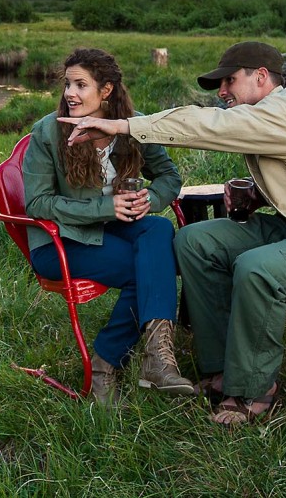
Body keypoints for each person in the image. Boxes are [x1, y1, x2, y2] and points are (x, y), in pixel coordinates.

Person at [59, 41, 286, 426]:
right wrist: (258, 195)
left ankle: (255, 390)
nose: (222, 92)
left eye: (229, 81)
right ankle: (222, 368)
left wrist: (125, 125)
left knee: (257, 268)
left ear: (261, 76)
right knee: (193, 241)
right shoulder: (268, 115)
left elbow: (212, 124)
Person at [22, 48, 190, 405]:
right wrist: (105, 206)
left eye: (81, 85)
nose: (70, 93)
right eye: (68, 84)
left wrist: (151, 199)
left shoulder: (132, 127)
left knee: (158, 231)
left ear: (107, 90)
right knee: (145, 268)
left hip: (108, 230)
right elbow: (37, 203)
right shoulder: (48, 132)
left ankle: (158, 357)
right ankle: (106, 364)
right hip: (59, 242)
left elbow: (169, 177)